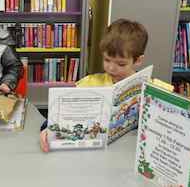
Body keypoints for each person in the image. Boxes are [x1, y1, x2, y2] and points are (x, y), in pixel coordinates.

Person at [40, 18, 149, 152]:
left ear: (138, 60)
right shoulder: (90, 83)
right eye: (107, 60)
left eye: (121, 64)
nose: (111, 68)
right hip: (91, 150)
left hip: (127, 152)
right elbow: (60, 113)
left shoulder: (147, 88)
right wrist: (47, 129)